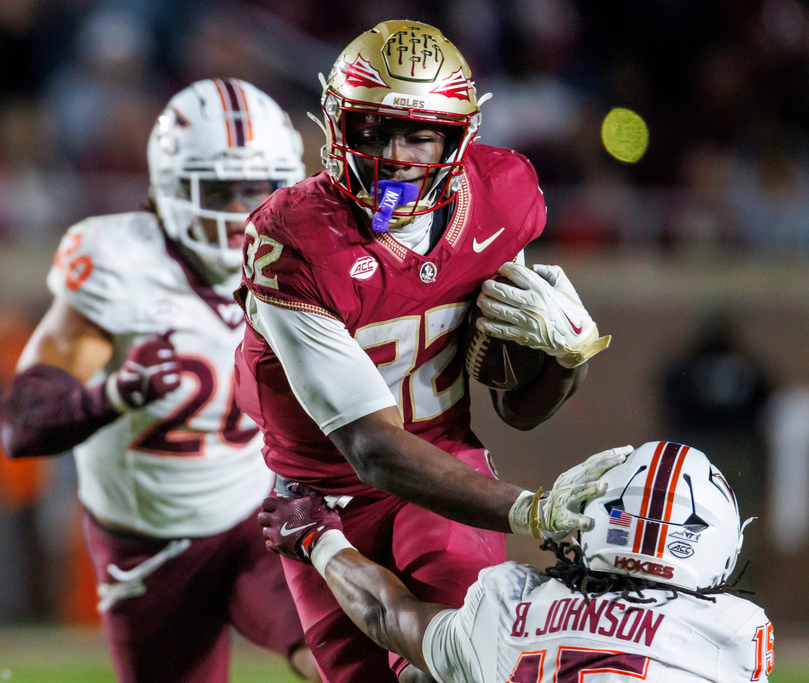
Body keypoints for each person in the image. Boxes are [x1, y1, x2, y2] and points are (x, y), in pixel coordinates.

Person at [234, 20, 612, 682]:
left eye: (417, 133)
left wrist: (564, 361)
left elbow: (519, 407)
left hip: (441, 472)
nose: (394, 155)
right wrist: (530, 508)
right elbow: (370, 447)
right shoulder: (290, 240)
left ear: (458, 136)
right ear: (336, 125)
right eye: (372, 130)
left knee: (464, 666)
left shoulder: (502, 197)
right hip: (320, 498)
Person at [0, 78, 320, 682]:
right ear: (174, 188)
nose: (247, 211)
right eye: (225, 190)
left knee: (334, 653)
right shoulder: (120, 265)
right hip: (149, 547)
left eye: (265, 188)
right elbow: (22, 424)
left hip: (258, 516)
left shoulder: (299, 263)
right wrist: (114, 392)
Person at [261, 441, 774, 682]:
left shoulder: (511, 606)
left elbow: (386, 614)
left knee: (430, 673)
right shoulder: (735, 634)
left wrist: (317, 540)